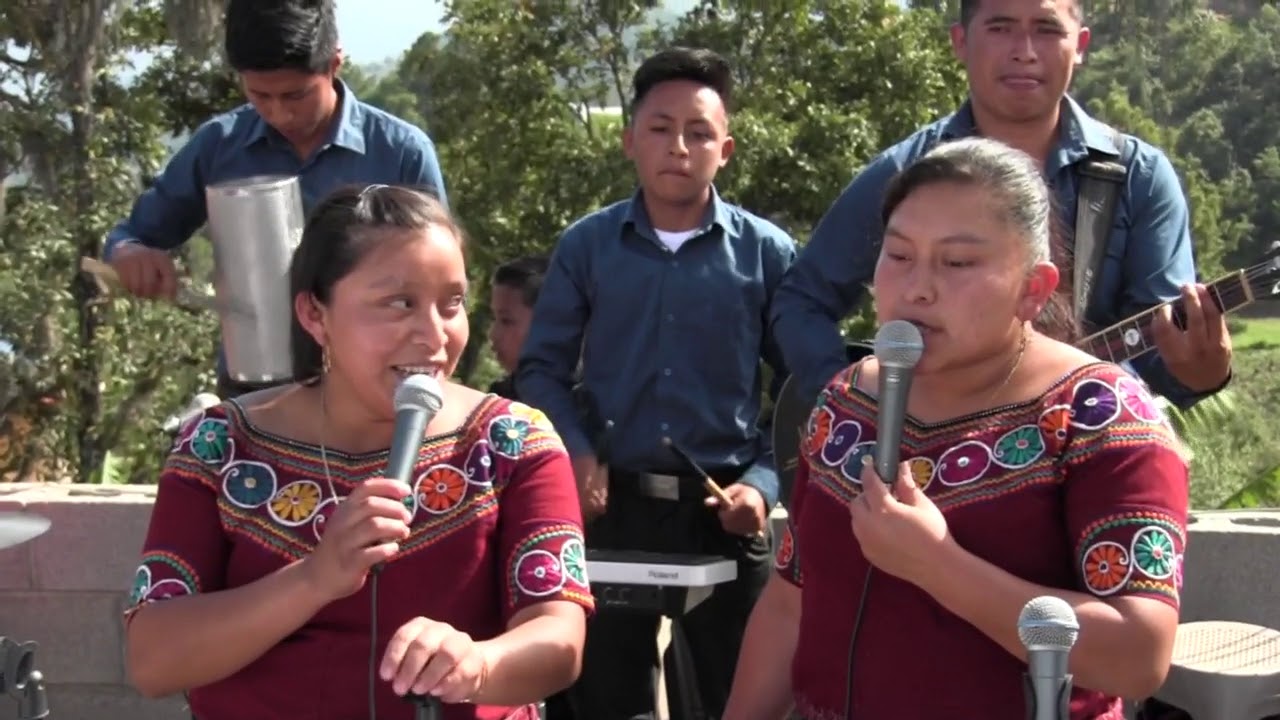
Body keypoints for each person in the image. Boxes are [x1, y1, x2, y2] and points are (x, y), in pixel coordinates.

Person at [722, 137, 1190, 720]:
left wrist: (939, 566)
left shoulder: (1101, 415)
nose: (918, 287)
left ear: (1033, 289)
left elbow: (1138, 653)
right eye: (898, 255)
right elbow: (791, 602)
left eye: (958, 262)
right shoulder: (845, 401)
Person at [122, 185, 591, 720]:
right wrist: (313, 578)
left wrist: (478, 664)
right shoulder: (218, 447)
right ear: (315, 314)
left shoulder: (514, 443)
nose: (435, 335)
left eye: (452, 303)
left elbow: (559, 640)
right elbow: (153, 659)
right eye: (399, 303)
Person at [771, 0, 1231, 414]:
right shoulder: (909, 170)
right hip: (930, 460)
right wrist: (850, 397)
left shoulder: (1139, 176)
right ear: (960, 41)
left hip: (1085, 454)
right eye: (1000, 27)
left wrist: (1201, 372)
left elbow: (1163, 352)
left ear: (1081, 45)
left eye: (1047, 29)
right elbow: (801, 299)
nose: (1024, 50)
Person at [517, 47, 796, 720]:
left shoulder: (767, 253)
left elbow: (804, 394)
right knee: (605, 699)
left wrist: (762, 487)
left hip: (721, 516)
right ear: (629, 141)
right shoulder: (587, 247)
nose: (680, 146)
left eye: (699, 132)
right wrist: (576, 454)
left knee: (742, 697)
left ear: (725, 149)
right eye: (660, 128)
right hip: (611, 511)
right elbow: (540, 370)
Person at [104, 0, 448, 399]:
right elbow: (135, 235)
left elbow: (438, 275)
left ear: (334, 63)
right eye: (260, 96)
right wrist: (131, 253)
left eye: (295, 95)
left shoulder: (401, 153)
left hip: (372, 386)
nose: (278, 113)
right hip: (253, 386)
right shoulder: (219, 147)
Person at [487, 255, 550, 401]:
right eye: (494, 319)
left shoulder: (592, 402)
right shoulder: (502, 401)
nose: (493, 335)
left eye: (506, 321)